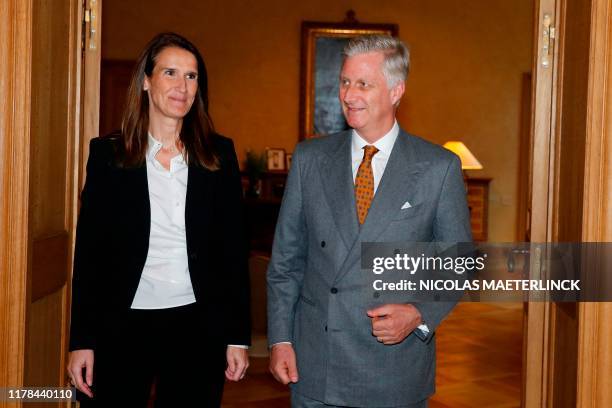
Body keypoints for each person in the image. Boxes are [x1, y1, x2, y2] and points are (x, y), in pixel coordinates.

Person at [267, 35, 472, 407]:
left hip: (394, 369)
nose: (348, 95)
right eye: (345, 82)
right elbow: (286, 263)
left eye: (363, 84)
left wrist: (418, 313)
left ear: (396, 91)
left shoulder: (438, 167)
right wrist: (280, 340)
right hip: (317, 368)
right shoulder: (310, 159)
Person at [67, 32, 250, 407]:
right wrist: (82, 341)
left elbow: (233, 251)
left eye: (192, 76)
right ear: (147, 82)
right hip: (123, 323)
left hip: (198, 324)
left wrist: (237, 336)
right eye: (170, 73)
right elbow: (91, 255)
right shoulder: (108, 155)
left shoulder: (219, 155)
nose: (182, 86)